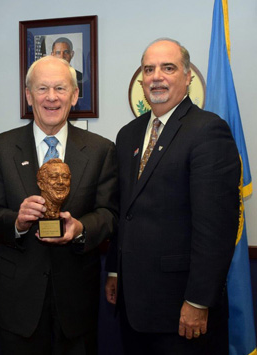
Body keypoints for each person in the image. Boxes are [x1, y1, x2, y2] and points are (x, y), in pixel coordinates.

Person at [105, 38, 240, 355]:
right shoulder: (128, 135)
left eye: (168, 67)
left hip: (181, 309)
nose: (156, 76)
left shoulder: (208, 131)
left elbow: (216, 228)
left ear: (188, 75)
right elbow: (123, 209)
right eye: (148, 69)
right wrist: (114, 270)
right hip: (133, 305)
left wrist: (198, 300)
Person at [0, 55, 119, 354]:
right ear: (29, 96)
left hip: (76, 299)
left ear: (75, 95)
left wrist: (81, 228)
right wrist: (16, 222)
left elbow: (109, 214)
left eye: (60, 88)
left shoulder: (101, 150)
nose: (52, 97)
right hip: (18, 300)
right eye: (42, 89)